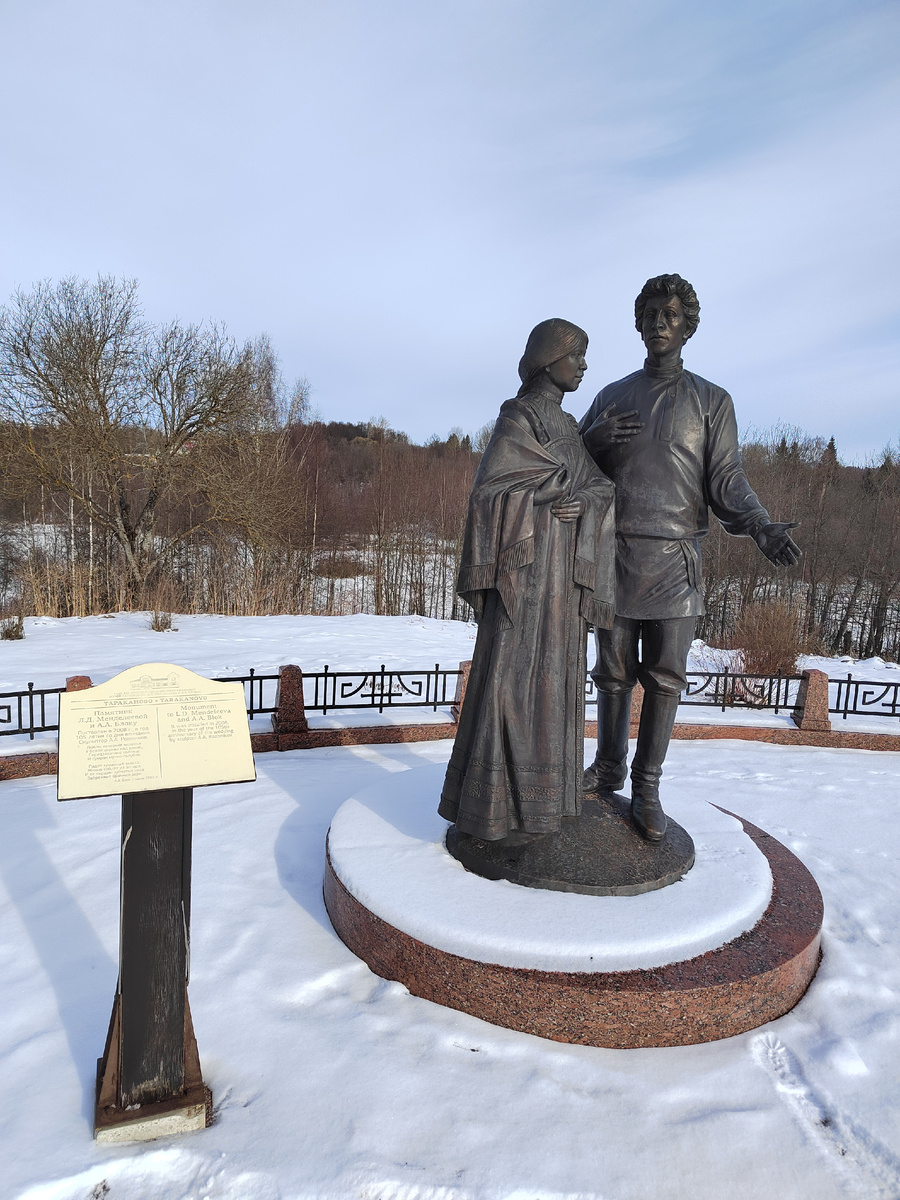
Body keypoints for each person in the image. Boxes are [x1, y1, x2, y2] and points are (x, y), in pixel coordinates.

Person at [579, 274, 800, 842]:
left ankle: (646, 785)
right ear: (637, 322)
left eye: (670, 314)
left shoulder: (711, 401)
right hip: (615, 550)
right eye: (650, 313)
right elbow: (569, 470)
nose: (659, 323)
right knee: (611, 673)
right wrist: (593, 440)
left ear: (688, 325)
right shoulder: (610, 397)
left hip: (676, 558)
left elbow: (726, 480)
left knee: (665, 678)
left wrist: (758, 524)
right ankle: (605, 768)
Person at [439, 318, 616, 844]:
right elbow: (490, 491)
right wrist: (548, 491)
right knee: (511, 681)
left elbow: (600, 487)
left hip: (561, 579)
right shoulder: (520, 417)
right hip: (527, 576)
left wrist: (582, 499)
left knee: (555, 680)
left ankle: (542, 807)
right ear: (548, 358)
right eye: (577, 355)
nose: (584, 365)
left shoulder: (566, 428)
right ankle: (493, 807)